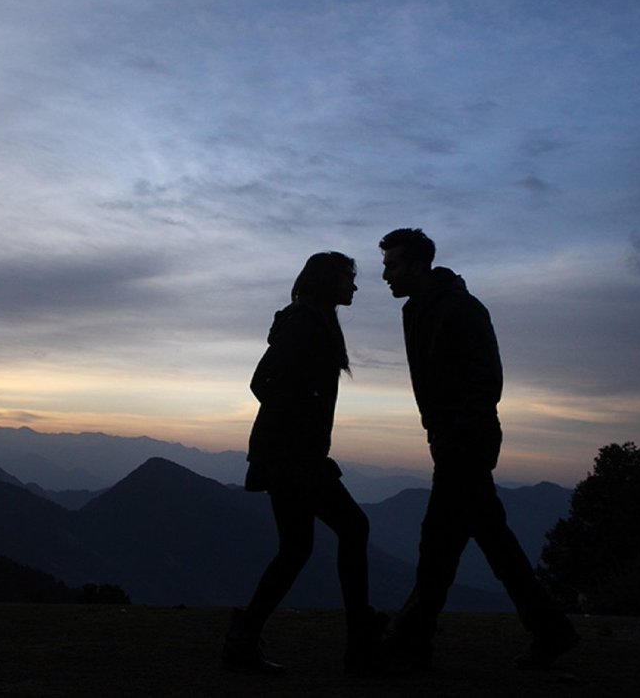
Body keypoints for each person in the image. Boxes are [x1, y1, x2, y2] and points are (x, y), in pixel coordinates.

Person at [378, 228, 577, 671]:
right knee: (485, 538)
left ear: (416, 265)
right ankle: (550, 630)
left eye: (392, 264)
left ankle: (410, 640)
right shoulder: (418, 309)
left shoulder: (462, 308)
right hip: (451, 437)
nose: (385, 274)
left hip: (467, 439)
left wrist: (453, 430)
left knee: (439, 541)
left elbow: (488, 379)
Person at [222, 252, 386, 675]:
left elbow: (271, 382)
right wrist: (303, 417)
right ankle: (361, 641)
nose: (354, 287)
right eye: (349, 278)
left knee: (297, 548)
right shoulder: (305, 323)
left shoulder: (311, 320)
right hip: (292, 456)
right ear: (327, 280)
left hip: (290, 454)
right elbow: (263, 382)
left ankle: (244, 636)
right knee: (352, 527)